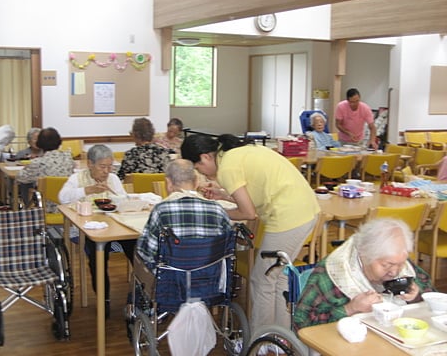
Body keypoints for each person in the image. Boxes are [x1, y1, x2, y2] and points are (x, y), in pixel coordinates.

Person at [181, 134, 320, 334]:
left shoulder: (227, 168)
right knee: (277, 276)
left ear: (205, 158)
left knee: (261, 279)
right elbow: (252, 196)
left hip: (289, 215)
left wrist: (216, 211)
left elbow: (248, 213)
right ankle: (280, 335)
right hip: (305, 209)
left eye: (197, 168)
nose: (200, 172)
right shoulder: (235, 154)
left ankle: (260, 339)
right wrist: (222, 195)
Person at [293, 218, 436, 332]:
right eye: (387, 265)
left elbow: (432, 295)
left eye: (400, 264)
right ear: (364, 255)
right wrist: (350, 309)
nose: (395, 272)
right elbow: (301, 324)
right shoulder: (331, 274)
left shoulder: (395, 257)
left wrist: (417, 295)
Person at [58, 144, 135, 318]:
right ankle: (104, 299)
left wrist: (116, 196)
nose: (107, 171)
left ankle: (140, 295)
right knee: (98, 254)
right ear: (90, 164)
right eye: (102, 166)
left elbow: (124, 199)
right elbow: (62, 197)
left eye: (110, 166)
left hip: (115, 225)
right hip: (90, 228)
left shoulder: (113, 178)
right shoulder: (77, 178)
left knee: (136, 247)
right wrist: (87, 189)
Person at [136, 158, 232, 269]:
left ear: (169, 183)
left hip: (171, 279)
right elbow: (228, 247)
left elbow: (146, 252)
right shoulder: (217, 210)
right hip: (210, 279)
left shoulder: (161, 211)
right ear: (196, 181)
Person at [16, 127, 74, 208]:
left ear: (39, 143)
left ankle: (25, 209)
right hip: (68, 205)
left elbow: (20, 177)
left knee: (26, 184)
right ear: (59, 142)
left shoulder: (39, 163)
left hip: (45, 207)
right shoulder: (68, 158)